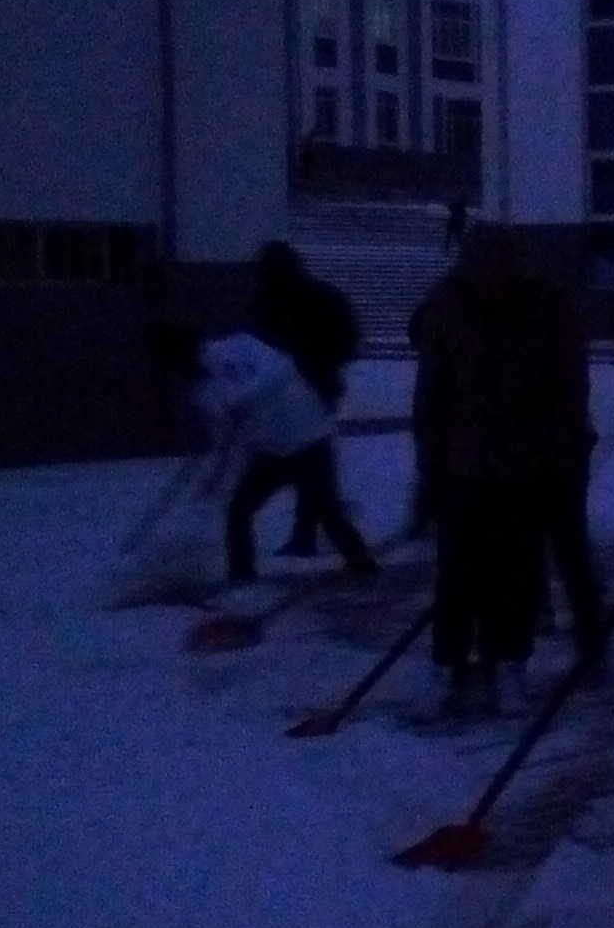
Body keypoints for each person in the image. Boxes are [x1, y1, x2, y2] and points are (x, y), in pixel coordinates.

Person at [410, 227, 587, 718]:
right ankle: (446, 665)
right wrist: (430, 460)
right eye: (482, 264)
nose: (493, 275)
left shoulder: (544, 308)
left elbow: (568, 382)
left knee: (516, 573)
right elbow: (431, 389)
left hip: (527, 465)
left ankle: (510, 666)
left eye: (501, 264)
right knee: (456, 575)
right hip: (463, 464)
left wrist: (564, 446)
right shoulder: (446, 307)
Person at [167, 323, 377, 588]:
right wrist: (217, 473)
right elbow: (225, 436)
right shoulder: (203, 392)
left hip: (309, 438)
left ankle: (365, 569)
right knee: (239, 511)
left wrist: (244, 399)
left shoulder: (240, 345)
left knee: (329, 514)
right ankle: (242, 579)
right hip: (271, 452)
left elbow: (282, 369)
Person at [247, 241, 362, 558]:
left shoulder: (285, 301)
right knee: (309, 459)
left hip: (309, 389)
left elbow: (346, 337)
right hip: (305, 389)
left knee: (308, 458)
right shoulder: (282, 300)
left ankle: (314, 531)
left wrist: (316, 363)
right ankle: (311, 529)